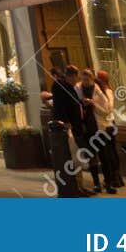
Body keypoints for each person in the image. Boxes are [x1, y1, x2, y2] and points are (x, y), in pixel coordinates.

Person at [47, 64, 89, 197]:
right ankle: (75, 187)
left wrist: (81, 103)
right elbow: (60, 106)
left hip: (75, 127)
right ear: (72, 76)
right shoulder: (59, 86)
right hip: (68, 127)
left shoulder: (68, 86)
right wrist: (66, 123)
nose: (77, 81)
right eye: (76, 77)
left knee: (76, 157)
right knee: (72, 156)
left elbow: (72, 103)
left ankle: (80, 186)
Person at [92, 70, 123, 192]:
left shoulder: (107, 91)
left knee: (110, 152)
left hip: (108, 124)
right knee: (111, 152)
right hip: (109, 123)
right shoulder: (105, 90)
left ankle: (115, 178)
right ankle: (115, 178)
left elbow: (109, 108)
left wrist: (95, 105)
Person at [77, 68, 101, 193]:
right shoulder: (78, 89)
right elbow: (75, 104)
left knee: (102, 154)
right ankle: (96, 182)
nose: (84, 82)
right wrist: (82, 103)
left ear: (92, 79)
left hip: (97, 125)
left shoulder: (97, 89)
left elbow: (106, 108)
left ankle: (109, 180)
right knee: (91, 155)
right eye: (83, 79)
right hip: (85, 127)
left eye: (87, 79)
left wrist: (93, 104)